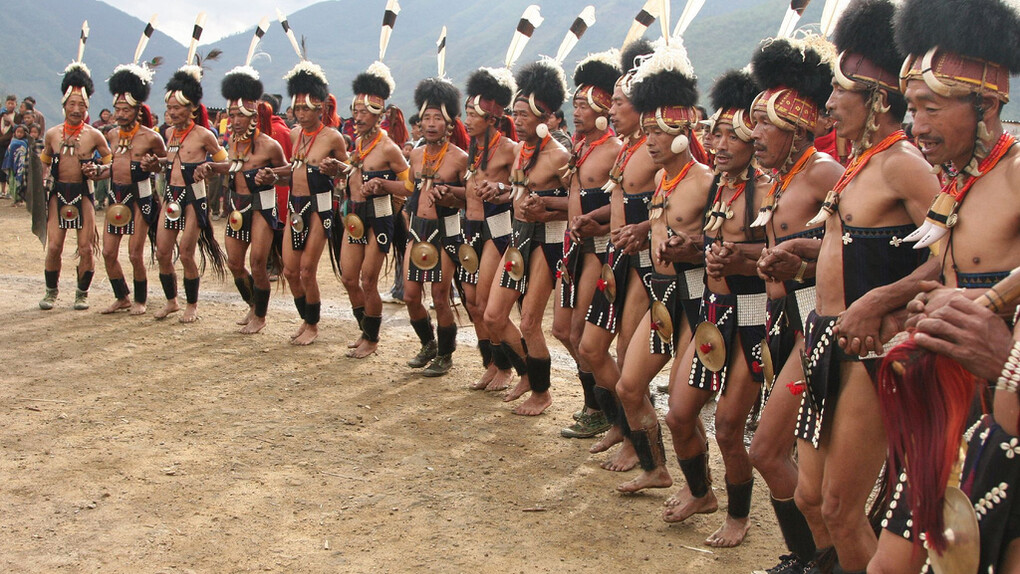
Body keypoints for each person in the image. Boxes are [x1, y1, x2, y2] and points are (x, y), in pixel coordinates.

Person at [834, 0, 1020, 571]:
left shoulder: (1016, 175)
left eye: (931, 109)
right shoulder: (954, 183)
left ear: (987, 105)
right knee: (887, 566)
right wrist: (914, 303)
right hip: (945, 410)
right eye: (912, 108)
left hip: (1006, 418)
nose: (917, 125)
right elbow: (943, 272)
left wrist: (999, 334)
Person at [755, 7, 940, 570]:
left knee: (840, 507)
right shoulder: (860, 163)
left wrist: (879, 301)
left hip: (867, 349)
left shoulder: (904, 164)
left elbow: (947, 257)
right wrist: (799, 251)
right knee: (810, 496)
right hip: (820, 335)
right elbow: (852, 243)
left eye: (839, 92)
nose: (829, 103)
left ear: (877, 99)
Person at [741, 33, 843, 572]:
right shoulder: (779, 179)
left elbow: (852, 250)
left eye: (765, 125)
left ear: (798, 127)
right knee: (783, 459)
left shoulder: (824, 172)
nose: (754, 134)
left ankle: (819, 561)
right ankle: (809, 559)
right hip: (780, 322)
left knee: (768, 452)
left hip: (813, 325)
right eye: (754, 122)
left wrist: (802, 264)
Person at [614, 38, 715, 498]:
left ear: (680, 133)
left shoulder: (706, 181)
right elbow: (661, 219)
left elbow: (721, 243)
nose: (650, 141)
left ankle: (701, 490)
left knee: (681, 408)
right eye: (647, 132)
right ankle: (655, 468)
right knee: (629, 386)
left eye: (657, 133)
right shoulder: (661, 177)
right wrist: (641, 230)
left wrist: (691, 248)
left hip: (695, 297)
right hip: (661, 296)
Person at [578, 39, 657, 471]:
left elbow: (671, 206)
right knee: (591, 348)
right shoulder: (628, 147)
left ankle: (639, 443)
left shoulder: (654, 150)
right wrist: (596, 218)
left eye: (619, 103)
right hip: (615, 259)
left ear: (642, 109)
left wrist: (644, 229)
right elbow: (621, 202)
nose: (611, 110)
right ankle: (623, 424)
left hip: (643, 267)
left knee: (628, 358)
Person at [483, 59, 570, 416]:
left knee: (530, 322)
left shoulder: (559, 156)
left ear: (544, 117)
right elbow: (520, 190)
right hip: (518, 238)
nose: (516, 121)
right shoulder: (521, 151)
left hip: (548, 241)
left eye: (523, 115)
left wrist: (547, 208)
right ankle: (526, 373)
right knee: (493, 315)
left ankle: (542, 392)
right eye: (514, 114)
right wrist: (501, 190)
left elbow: (577, 204)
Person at [378, 76, 469, 376]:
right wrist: (381, 185)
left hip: (446, 230)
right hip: (417, 230)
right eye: (426, 117)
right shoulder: (415, 155)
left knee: (441, 297)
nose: (430, 124)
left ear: (450, 124)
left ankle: (445, 354)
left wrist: (450, 194)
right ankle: (428, 344)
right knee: (410, 295)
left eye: (437, 118)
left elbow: (470, 197)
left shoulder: (460, 159)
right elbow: (408, 189)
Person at [554, 50, 622, 439]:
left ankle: (602, 410)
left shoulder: (614, 150)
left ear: (602, 110)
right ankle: (603, 398)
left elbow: (626, 203)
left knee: (581, 334)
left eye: (583, 105)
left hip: (598, 248)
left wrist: (596, 221)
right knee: (562, 330)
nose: (576, 112)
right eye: (575, 104)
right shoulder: (580, 147)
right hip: (572, 247)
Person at [142, 62, 228, 322]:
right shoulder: (167, 133)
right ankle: (172, 302)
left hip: (194, 198)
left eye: (177, 108)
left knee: (187, 253)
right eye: (169, 108)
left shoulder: (204, 135)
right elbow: (168, 163)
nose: (172, 112)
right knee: (162, 251)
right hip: (171, 196)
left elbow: (226, 164)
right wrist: (155, 164)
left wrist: (208, 167)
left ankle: (192, 304)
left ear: (191, 109)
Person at [206, 63, 287, 334]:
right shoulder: (232, 143)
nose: (235, 120)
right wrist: (212, 167)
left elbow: (287, 174)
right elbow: (232, 166)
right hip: (236, 206)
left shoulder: (270, 145)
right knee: (234, 263)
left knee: (258, 263)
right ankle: (253, 304)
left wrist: (272, 175)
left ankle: (260, 316)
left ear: (253, 114)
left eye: (240, 114)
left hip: (262, 206)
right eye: (231, 115)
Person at [271, 58, 348, 345]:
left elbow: (348, 171)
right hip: (295, 205)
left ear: (319, 108)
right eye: (297, 108)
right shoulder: (294, 134)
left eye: (306, 109)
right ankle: (306, 319)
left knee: (306, 270)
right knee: (290, 271)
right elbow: (293, 169)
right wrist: (272, 174)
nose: (300, 114)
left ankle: (313, 325)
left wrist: (335, 169)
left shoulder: (333, 137)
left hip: (320, 207)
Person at [340, 61, 409, 357]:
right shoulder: (358, 143)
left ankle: (372, 338)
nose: (357, 117)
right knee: (348, 278)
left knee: (368, 280)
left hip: (380, 217)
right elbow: (355, 173)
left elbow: (410, 185)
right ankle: (365, 330)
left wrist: (383, 184)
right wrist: (338, 168)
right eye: (355, 111)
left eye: (364, 112)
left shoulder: (388, 148)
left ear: (379, 114)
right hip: (356, 215)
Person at [92, 59, 166, 315]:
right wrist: (98, 172)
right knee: (108, 252)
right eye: (118, 109)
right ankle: (122, 296)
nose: (121, 114)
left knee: (135, 253)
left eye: (126, 110)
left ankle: (140, 299)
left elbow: (165, 165)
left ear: (137, 110)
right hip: (116, 196)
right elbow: (113, 167)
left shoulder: (151, 137)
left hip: (141, 197)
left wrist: (154, 164)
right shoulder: (112, 135)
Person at [461, 66, 519, 392]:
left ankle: (509, 368)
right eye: (466, 113)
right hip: (469, 228)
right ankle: (492, 364)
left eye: (473, 114)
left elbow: (524, 187)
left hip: (496, 229)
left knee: (486, 304)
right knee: (472, 303)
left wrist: (502, 188)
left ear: (491, 118)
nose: (467, 120)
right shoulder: (472, 148)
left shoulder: (509, 149)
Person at [38, 57, 111, 311]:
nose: (76, 108)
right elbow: (45, 162)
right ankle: (51, 292)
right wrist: (43, 179)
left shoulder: (95, 135)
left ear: (87, 106)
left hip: (84, 193)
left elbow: (111, 164)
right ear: (64, 105)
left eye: (81, 104)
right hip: (58, 194)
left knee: (86, 248)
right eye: (72, 103)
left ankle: (82, 293)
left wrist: (97, 170)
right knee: (54, 246)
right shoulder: (52, 134)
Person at [2, 124, 29, 205]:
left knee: (20, 181)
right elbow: (8, 154)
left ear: (25, 133)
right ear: (15, 132)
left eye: (21, 132)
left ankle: (19, 199)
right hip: (12, 166)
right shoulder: (13, 141)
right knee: (12, 181)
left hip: (21, 166)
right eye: (18, 132)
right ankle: (15, 199)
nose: (19, 134)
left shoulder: (26, 143)